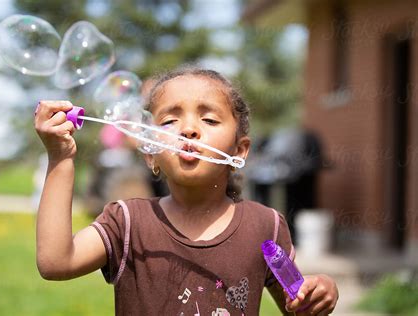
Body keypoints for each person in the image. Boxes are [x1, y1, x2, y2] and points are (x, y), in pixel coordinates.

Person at [34, 67, 338, 315]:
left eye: (208, 119)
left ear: (240, 150)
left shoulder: (266, 226)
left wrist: (320, 291)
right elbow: (56, 262)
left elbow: (298, 305)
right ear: (150, 153)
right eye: (168, 121)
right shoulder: (126, 221)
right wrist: (60, 157)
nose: (188, 129)